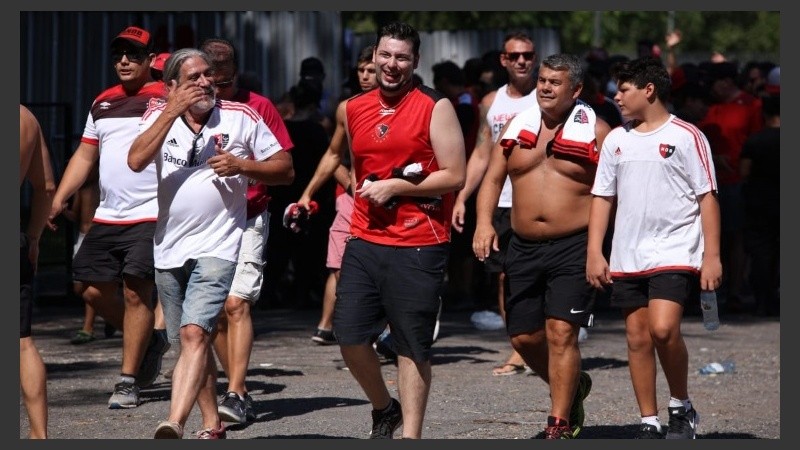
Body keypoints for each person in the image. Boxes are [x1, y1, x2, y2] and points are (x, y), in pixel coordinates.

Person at [127, 48, 294, 439]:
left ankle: (174, 422)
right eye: (193, 78)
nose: (206, 82)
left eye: (208, 75)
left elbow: (285, 170)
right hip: (168, 246)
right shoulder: (156, 115)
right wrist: (171, 111)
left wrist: (244, 166)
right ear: (171, 86)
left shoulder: (240, 116)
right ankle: (211, 423)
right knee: (189, 341)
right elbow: (135, 161)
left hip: (221, 243)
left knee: (193, 334)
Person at [331, 21, 465, 439]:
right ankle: (384, 408)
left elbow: (455, 174)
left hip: (419, 242)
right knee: (350, 336)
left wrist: (397, 187)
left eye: (401, 57)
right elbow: (353, 165)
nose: (391, 64)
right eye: (384, 55)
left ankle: (411, 436)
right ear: (373, 57)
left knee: (411, 345)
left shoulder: (434, 105)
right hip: (365, 237)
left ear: (415, 61)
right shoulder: (351, 107)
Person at [474, 53, 611, 439]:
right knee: (522, 337)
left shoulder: (598, 131)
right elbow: (491, 179)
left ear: (577, 90)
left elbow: (612, 194)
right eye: (543, 80)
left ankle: (559, 422)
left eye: (555, 82)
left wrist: (599, 248)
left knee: (560, 333)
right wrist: (484, 223)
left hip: (575, 244)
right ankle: (571, 385)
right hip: (523, 246)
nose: (546, 87)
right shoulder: (518, 128)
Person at [586, 56, 721, 439]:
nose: (616, 97)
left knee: (663, 329)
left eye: (624, 89)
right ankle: (648, 419)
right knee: (637, 337)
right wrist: (595, 251)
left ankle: (681, 406)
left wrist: (712, 256)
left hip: (676, 250)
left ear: (649, 90)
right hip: (629, 253)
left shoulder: (686, 135)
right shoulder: (616, 139)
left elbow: (707, 198)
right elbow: (602, 197)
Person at [47, 25, 170, 409]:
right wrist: (59, 196)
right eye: (118, 54)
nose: (124, 61)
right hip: (108, 214)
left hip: (152, 212)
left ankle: (128, 380)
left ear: (151, 60)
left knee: (136, 291)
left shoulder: (168, 98)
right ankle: (149, 339)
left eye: (133, 54)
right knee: (86, 286)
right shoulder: (102, 102)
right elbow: (85, 155)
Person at [200, 37, 295, 425]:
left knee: (237, 303)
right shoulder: (185, 106)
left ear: (235, 75)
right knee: (217, 313)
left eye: (222, 84)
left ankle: (236, 392)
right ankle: (236, 385)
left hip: (249, 215)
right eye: (207, 81)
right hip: (202, 223)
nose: (214, 91)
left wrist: (243, 165)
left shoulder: (259, 107)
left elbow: (285, 170)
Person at [452, 32, 539, 377]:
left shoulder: (546, 98)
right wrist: (462, 196)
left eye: (528, 56)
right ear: (503, 60)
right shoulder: (491, 101)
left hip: (536, 202)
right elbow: (481, 152)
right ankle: (519, 347)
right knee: (504, 278)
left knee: (536, 277)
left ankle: (542, 344)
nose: (522, 61)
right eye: (515, 56)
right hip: (500, 201)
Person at [296, 44, 377, 345]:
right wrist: (309, 193)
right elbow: (333, 156)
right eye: (362, 70)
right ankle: (328, 326)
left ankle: (376, 332)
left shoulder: (406, 106)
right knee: (339, 267)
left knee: (376, 273)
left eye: (371, 70)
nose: (366, 76)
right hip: (350, 201)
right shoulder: (347, 107)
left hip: (387, 203)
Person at [697, 61, 763, 313]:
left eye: (714, 83)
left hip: (737, 181)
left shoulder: (751, 105)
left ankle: (734, 291)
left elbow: (756, 142)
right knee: (708, 237)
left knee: (735, 236)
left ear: (725, 82)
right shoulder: (710, 107)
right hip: (708, 181)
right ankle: (710, 292)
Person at [20, 104, 55, 439]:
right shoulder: (25, 118)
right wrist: (33, 237)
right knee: (22, 343)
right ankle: (39, 434)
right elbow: (46, 185)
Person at [740, 94, 779, 316]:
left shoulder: (756, 140)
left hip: (760, 201)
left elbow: (744, 171)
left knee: (761, 252)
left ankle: (762, 299)